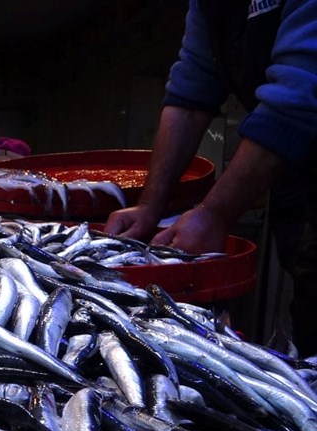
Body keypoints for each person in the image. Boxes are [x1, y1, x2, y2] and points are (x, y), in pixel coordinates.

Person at [104, 0, 317, 355]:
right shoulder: (208, 6)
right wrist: (149, 207)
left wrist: (214, 214)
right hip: (298, 176)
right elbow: (190, 93)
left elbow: (299, 95)